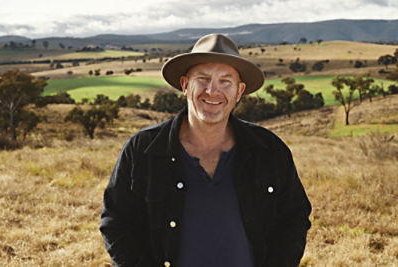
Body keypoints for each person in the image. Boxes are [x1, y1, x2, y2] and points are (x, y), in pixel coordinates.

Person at [100, 33, 312, 267]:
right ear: (185, 85)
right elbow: (116, 223)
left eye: (225, 81)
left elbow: (294, 218)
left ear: (239, 92)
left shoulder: (270, 151)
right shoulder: (142, 150)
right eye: (203, 78)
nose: (212, 91)